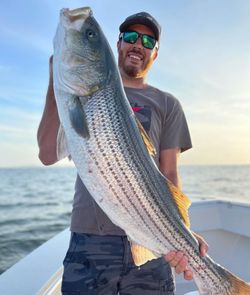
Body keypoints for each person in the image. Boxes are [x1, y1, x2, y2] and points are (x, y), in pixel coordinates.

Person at [37, 11, 208, 295]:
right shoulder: (78, 89)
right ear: (117, 44)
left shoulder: (167, 104)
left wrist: (181, 233)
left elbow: (169, 173)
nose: (137, 45)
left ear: (155, 53)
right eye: (130, 37)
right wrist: (56, 81)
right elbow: (46, 154)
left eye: (147, 41)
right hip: (90, 237)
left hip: (151, 237)